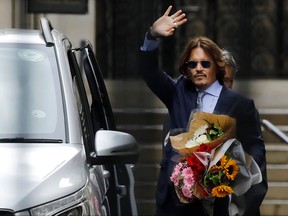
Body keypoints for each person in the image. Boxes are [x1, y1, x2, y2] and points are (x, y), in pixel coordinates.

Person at [139, 5, 267, 216]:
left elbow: (256, 156)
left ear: (217, 66)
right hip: (175, 203)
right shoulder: (177, 91)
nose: (198, 68)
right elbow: (149, 72)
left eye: (205, 63)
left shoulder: (240, 104)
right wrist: (152, 36)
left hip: (220, 203)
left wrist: (246, 202)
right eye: (192, 64)